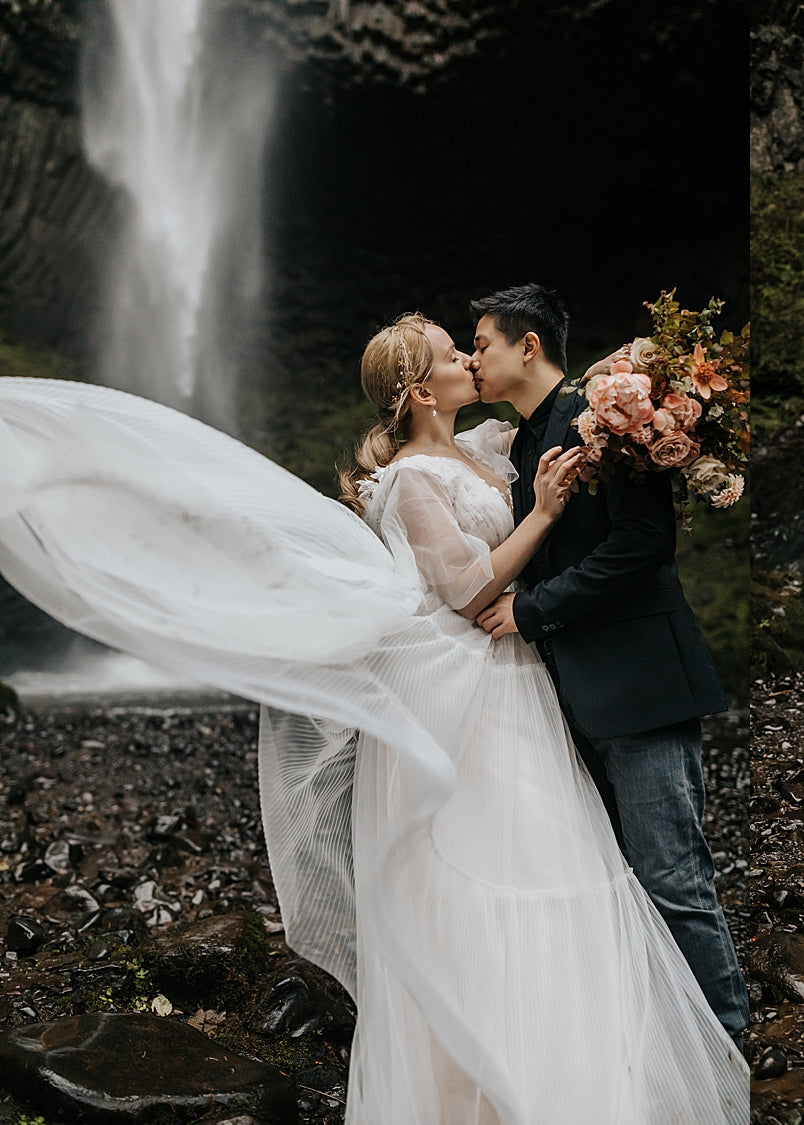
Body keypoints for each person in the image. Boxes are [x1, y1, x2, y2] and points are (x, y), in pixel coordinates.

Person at [0, 315, 749, 1124]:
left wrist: (646, 380)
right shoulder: (412, 479)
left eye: (474, 346)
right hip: (471, 692)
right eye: (452, 354)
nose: (470, 357)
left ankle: (594, 1074)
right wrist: (539, 515)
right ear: (422, 391)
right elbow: (464, 590)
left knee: (558, 860)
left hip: (514, 685)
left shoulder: (483, 448)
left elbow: (555, 406)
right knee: (492, 874)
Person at [464, 283, 750, 1046]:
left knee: (672, 880)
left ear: (529, 346)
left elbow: (643, 542)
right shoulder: (519, 442)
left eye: (483, 344)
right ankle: (658, 1045)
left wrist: (530, 608)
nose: (472, 359)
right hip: (568, 698)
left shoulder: (605, 417)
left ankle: (725, 1051)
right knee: (613, 882)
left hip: (639, 684)